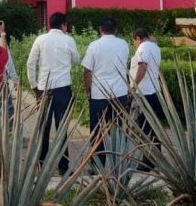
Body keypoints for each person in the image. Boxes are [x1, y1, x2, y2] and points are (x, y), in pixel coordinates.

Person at [27, 11, 79, 174]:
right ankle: (64, 167)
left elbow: (30, 63)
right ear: (63, 25)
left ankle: (42, 164)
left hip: (44, 89)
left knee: (44, 128)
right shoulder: (68, 40)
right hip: (63, 88)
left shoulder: (40, 40)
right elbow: (76, 60)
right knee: (62, 128)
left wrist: (34, 86)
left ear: (50, 24)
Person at [81, 17, 129, 161]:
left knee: (97, 131)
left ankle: (98, 164)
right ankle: (119, 161)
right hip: (120, 93)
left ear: (100, 30)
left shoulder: (94, 46)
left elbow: (87, 71)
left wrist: (88, 90)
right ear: (116, 30)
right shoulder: (123, 44)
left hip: (99, 94)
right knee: (120, 129)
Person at [130, 27, 164, 149]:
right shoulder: (155, 47)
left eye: (134, 41)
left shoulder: (143, 48)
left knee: (144, 128)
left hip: (145, 93)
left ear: (138, 39)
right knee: (153, 128)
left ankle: (147, 160)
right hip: (155, 92)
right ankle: (155, 157)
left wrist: (133, 86)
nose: (134, 44)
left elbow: (142, 67)